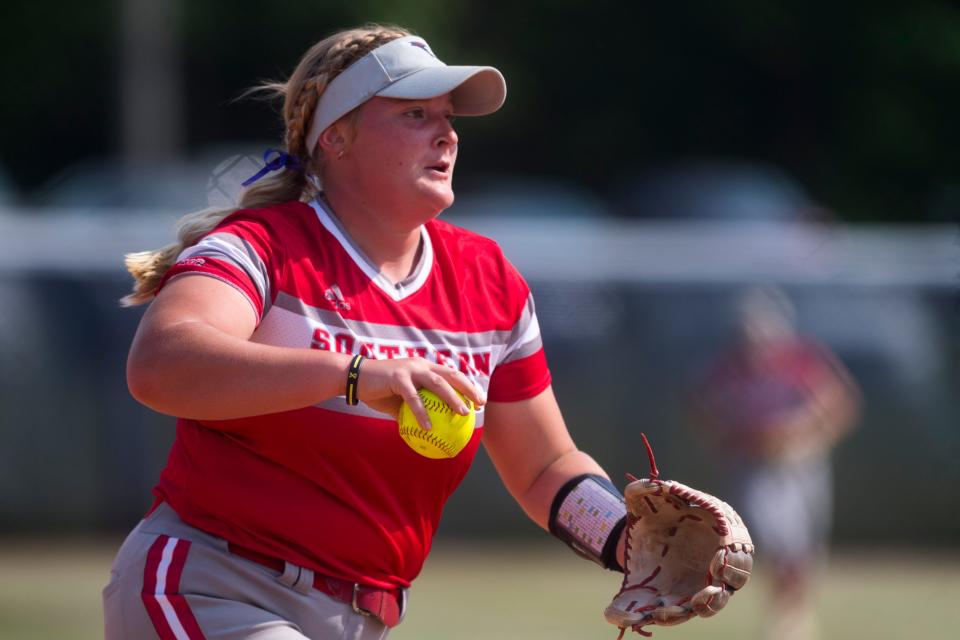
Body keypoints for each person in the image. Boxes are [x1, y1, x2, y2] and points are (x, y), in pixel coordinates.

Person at [103, 25, 630, 640]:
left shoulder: (489, 281)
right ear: (336, 136)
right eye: (414, 112)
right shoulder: (262, 247)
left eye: (448, 115)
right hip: (213, 589)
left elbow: (544, 467)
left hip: (361, 622)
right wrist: (352, 374)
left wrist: (626, 541)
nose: (448, 134)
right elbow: (162, 364)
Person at [692, 285, 861, 640]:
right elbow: (703, 409)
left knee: (804, 547)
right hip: (755, 468)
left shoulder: (800, 361)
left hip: (801, 466)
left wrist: (806, 435)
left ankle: (794, 615)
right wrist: (735, 437)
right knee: (778, 540)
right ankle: (785, 618)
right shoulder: (730, 368)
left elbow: (839, 403)